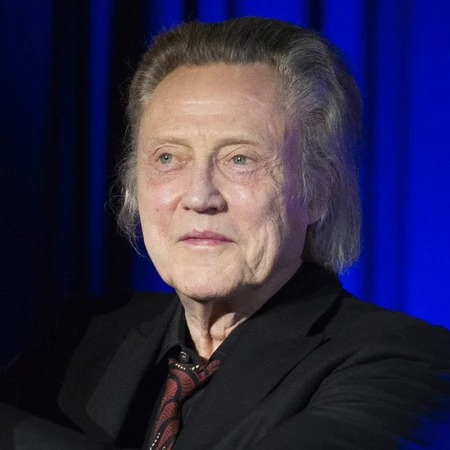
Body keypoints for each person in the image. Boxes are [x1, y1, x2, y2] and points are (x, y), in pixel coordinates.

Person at [2, 16, 450, 450]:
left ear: (319, 190)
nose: (200, 196)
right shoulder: (85, 337)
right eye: (167, 158)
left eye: (240, 159)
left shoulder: (409, 362)